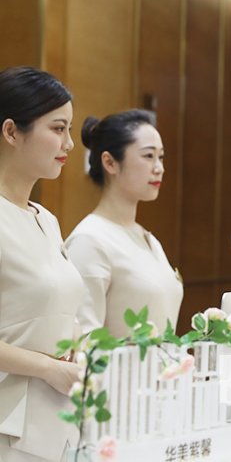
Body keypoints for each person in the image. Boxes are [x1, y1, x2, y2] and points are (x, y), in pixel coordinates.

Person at [0, 66, 83, 462]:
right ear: (12, 131)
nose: (69, 143)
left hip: (56, 420)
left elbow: (59, 309)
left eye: (70, 130)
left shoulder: (46, 220)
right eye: (58, 128)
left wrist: (77, 345)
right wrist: (47, 368)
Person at [65, 110, 183, 338]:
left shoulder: (148, 238)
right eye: (148, 156)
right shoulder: (89, 240)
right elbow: (83, 340)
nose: (159, 168)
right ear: (110, 162)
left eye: (161, 157)